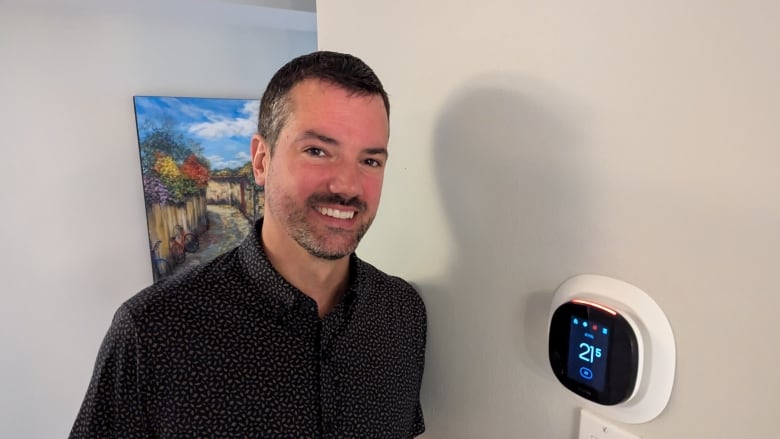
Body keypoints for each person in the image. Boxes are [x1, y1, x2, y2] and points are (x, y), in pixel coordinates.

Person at [70, 51, 427, 438]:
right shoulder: (152, 333)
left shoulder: (403, 315)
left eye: (370, 161)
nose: (347, 186)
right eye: (317, 151)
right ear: (261, 160)